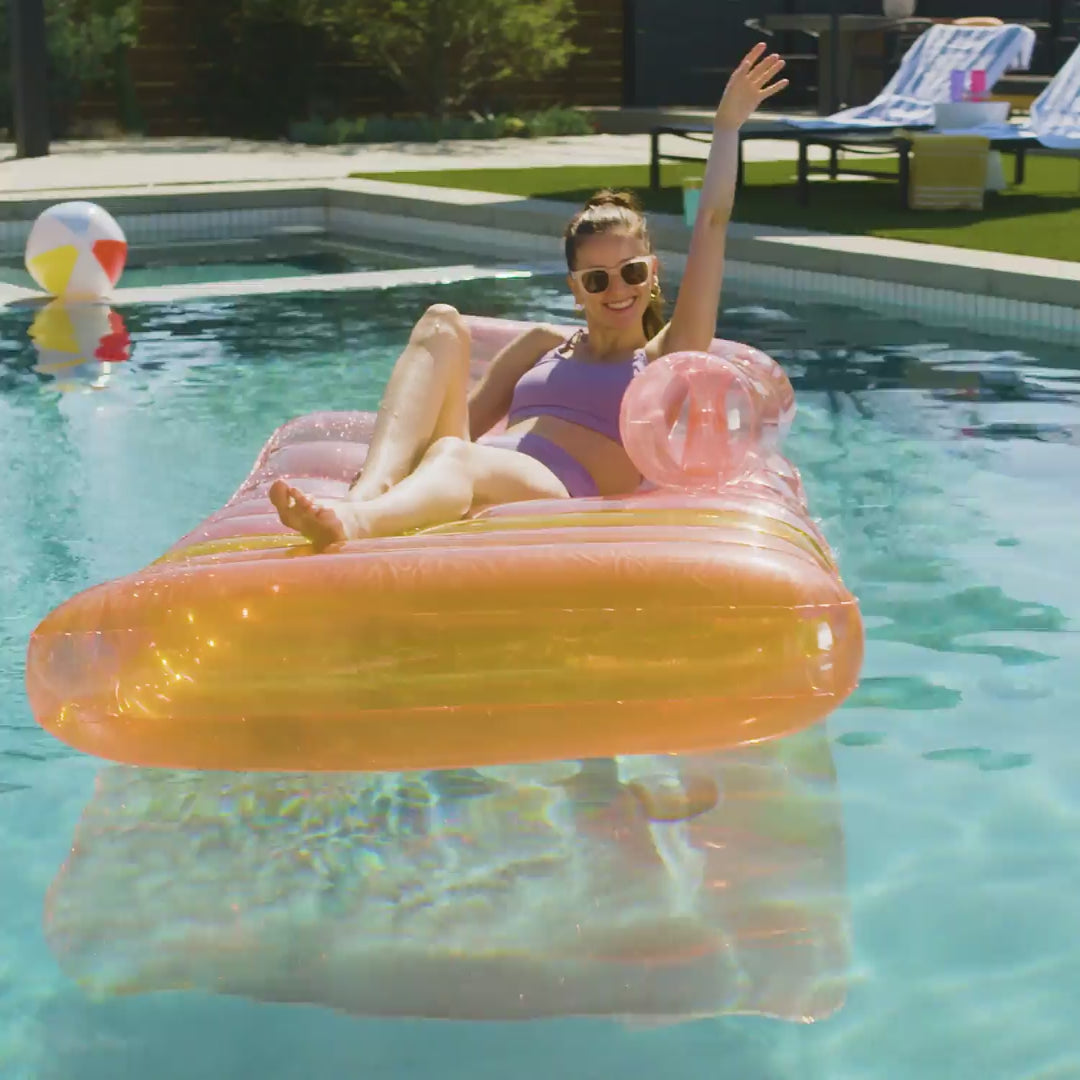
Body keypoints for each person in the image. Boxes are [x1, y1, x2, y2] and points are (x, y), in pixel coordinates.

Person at [270, 44, 787, 548]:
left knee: (457, 459)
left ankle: (356, 525)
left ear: (652, 274)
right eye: (597, 279)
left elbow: (713, 224)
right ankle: (370, 492)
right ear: (576, 290)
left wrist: (725, 128)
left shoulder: (665, 360)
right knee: (441, 320)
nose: (618, 290)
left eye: (630, 271)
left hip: (563, 493)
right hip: (485, 468)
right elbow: (455, 435)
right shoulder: (541, 345)